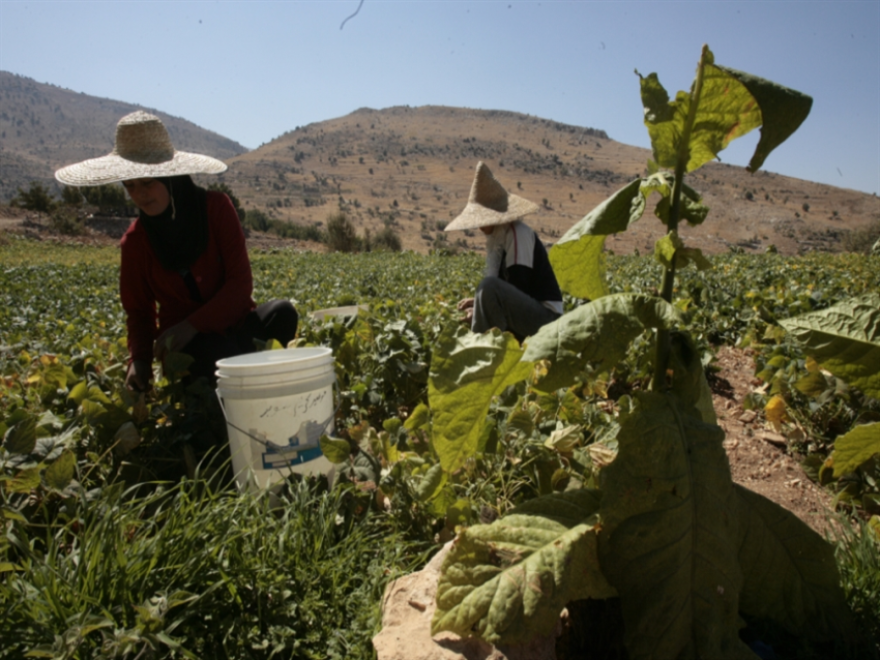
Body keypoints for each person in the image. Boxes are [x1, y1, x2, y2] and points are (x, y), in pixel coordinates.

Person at [55, 111, 298, 392]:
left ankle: (250, 378)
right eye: (130, 185)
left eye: (148, 182)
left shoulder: (217, 209)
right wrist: (140, 360)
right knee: (218, 355)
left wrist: (194, 323)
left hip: (235, 323)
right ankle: (244, 381)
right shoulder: (135, 243)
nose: (140, 194)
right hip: (186, 346)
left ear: (172, 177)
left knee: (282, 312)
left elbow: (240, 286)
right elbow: (139, 312)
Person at [445, 162, 563, 342]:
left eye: (482, 219)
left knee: (488, 287)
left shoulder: (518, 234)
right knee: (484, 291)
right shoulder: (499, 240)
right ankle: (485, 349)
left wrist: (479, 311)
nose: (479, 226)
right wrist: (480, 303)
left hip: (547, 321)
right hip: (530, 315)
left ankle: (481, 352)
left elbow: (518, 289)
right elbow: (509, 295)